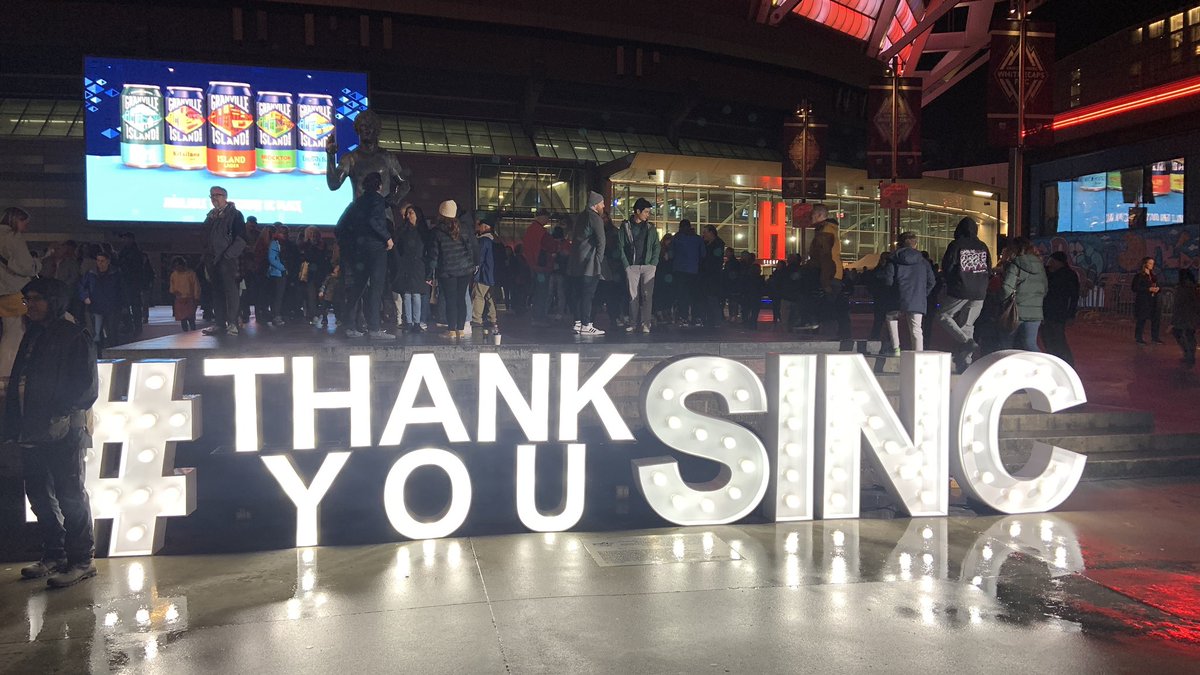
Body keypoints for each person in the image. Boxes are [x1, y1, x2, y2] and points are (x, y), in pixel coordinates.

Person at [7, 277, 99, 588]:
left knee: (69, 494)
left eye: (38, 298)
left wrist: (60, 414)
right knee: (38, 495)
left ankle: (81, 560)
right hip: (30, 429)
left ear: (55, 301)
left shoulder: (74, 335)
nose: (31, 304)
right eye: (28, 299)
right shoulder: (32, 334)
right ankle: (55, 554)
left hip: (64, 432)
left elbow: (86, 386)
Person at [337, 171, 395, 340]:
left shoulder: (358, 202)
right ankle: (374, 328)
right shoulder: (377, 200)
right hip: (376, 249)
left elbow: (341, 226)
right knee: (376, 289)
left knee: (357, 288)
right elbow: (373, 220)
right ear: (380, 186)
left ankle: (350, 326)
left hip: (359, 251)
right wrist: (387, 238)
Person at [938, 217, 992, 369]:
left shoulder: (957, 245)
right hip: (980, 290)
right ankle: (965, 361)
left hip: (960, 288)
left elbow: (948, 266)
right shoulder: (983, 246)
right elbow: (989, 267)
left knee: (943, 315)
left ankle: (966, 342)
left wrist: (949, 282)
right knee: (968, 323)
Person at [427, 200, 478, 339]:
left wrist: (429, 274)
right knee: (461, 298)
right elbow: (472, 247)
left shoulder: (437, 231)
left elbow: (434, 256)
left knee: (450, 300)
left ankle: (451, 330)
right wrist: (473, 264)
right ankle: (460, 329)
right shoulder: (465, 228)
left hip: (447, 271)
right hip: (465, 269)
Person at [0, 207, 41, 379]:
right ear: (17, 220)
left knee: (9, 330)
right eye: (25, 222)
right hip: (16, 290)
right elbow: (26, 267)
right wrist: (37, 264)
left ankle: (5, 369)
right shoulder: (13, 238)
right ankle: (8, 370)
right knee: (17, 332)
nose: (26, 226)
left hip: (2, 292)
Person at [201, 186, 247, 336]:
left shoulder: (235, 214)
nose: (214, 198)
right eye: (211, 196)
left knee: (230, 291)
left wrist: (228, 255)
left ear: (225, 196)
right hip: (212, 259)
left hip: (227, 260)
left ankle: (233, 323)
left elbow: (241, 238)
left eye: (217, 195)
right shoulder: (211, 216)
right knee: (217, 292)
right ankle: (220, 323)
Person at [882, 232, 936, 354]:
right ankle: (918, 354)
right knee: (916, 329)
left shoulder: (893, 260)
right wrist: (922, 294)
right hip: (917, 299)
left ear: (899, 244)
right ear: (915, 244)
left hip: (898, 298)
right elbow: (931, 281)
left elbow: (888, 281)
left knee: (891, 317)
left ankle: (896, 348)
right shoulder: (923, 261)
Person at [617, 197, 661, 333]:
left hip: (648, 266)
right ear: (638, 211)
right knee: (633, 296)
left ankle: (645, 323)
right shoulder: (626, 227)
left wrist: (653, 263)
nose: (648, 215)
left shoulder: (650, 228)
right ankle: (633, 322)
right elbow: (621, 246)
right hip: (632, 266)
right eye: (646, 212)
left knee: (647, 295)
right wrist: (626, 264)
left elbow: (656, 246)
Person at [808, 204, 850, 339]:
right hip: (833, 273)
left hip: (829, 273)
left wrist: (825, 280)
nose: (811, 217)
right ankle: (841, 333)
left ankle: (830, 335)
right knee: (834, 305)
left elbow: (825, 256)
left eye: (813, 214)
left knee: (829, 305)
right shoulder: (829, 230)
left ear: (820, 215)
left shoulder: (825, 232)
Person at [569, 191, 607, 336]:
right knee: (588, 294)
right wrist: (599, 259)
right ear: (596, 204)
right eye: (602, 203)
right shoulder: (595, 218)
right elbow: (601, 241)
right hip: (590, 264)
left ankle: (578, 322)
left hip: (577, 263)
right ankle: (586, 325)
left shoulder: (580, 217)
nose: (603, 206)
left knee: (578, 293)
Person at [1002, 237, 1048, 352]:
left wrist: (1003, 302)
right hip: (1036, 312)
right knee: (1030, 344)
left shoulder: (1015, 264)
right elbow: (1045, 288)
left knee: (1007, 345)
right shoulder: (1040, 266)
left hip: (1016, 311)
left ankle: (1008, 368)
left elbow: (1006, 288)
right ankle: (1041, 365)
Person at [393, 204, 429, 331]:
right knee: (407, 293)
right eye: (407, 213)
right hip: (406, 264)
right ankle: (409, 322)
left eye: (411, 213)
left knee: (416, 293)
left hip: (419, 265)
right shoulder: (403, 231)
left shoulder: (423, 231)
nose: (408, 216)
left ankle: (417, 322)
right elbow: (398, 247)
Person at [78, 250, 123, 351]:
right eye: (98, 261)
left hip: (112, 306)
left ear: (108, 261)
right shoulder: (91, 273)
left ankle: (114, 351)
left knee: (112, 332)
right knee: (96, 334)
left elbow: (121, 289)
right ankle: (98, 354)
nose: (100, 263)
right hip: (95, 306)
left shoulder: (115, 273)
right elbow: (82, 286)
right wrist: (85, 297)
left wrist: (122, 305)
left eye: (102, 261)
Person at [1041, 251, 1080, 366]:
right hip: (1047, 311)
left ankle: (1066, 364)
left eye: (1052, 261)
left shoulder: (1068, 275)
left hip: (1058, 312)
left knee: (1058, 339)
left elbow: (1074, 296)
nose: (1050, 263)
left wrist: (1071, 313)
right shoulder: (1048, 273)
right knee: (1047, 338)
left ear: (1059, 262)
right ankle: (1056, 361)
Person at [522, 210, 555, 325]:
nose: (547, 220)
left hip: (533, 265)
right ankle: (539, 318)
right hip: (542, 266)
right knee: (542, 293)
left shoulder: (530, 230)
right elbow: (551, 246)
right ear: (542, 217)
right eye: (547, 217)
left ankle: (536, 317)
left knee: (537, 292)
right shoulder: (541, 232)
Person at [671, 220, 703, 325]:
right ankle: (696, 317)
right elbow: (703, 254)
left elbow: (671, 253)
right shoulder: (698, 239)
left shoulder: (677, 238)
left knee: (682, 295)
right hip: (694, 271)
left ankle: (683, 317)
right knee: (695, 295)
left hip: (680, 271)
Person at [116, 232, 147, 337]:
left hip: (133, 282)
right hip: (128, 282)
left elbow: (137, 269)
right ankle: (131, 326)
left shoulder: (134, 252)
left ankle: (135, 327)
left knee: (134, 306)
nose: (124, 241)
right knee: (128, 306)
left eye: (125, 239)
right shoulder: (125, 252)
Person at [300, 226, 331, 326]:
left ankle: (324, 316)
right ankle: (313, 315)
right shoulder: (305, 245)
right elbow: (306, 257)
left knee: (322, 296)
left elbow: (323, 258)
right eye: (311, 233)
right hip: (309, 274)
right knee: (311, 296)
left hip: (321, 273)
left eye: (315, 234)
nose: (313, 236)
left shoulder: (323, 245)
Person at [472, 217, 499, 333]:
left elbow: (480, 257)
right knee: (490, 297)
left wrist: (475, 269)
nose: (478, 227)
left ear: (485, 227)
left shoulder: (483, 240)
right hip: (494, 274)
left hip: (484, 274)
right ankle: (493, 319)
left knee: (478, 295)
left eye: (480, 225)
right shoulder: (496, 240)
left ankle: (476, 319)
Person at [1132, 256, 1164, 345]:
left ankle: (1155, 337)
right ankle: (1139, 338)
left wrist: (1158, 289)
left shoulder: (1153, 275)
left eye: (1153, 264)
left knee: (1155, 319)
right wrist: (1148, 289)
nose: (1151, 265)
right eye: (1150, 263)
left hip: (1153, 300)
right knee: (1141, 319)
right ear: (1145, 264)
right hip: (1143, 301)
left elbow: (1158, 284)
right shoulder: (1139, 276)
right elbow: (1135, 287)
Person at [699, 225, 725, 327]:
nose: (703, 234)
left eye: (705, 232)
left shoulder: (718, 244)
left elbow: (714, 261)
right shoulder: (707, 244)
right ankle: (710, 319)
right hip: (707, 276)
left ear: (711, 233)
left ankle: (714, 320)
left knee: (712, 298)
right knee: (708, 298)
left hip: (712, 276)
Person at [1171, 268, 1198, 367]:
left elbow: (1178, 304)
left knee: (1178, 332)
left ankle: (1188, 354)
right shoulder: (1193, 288)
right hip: (1192, 316)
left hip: (1183, 316)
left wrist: (1173, 320)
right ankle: (1190, 355)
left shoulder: (1182, 288)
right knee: (1189, 334)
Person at [169, 256, 200, 331]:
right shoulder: (174, 275)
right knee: (183, 319)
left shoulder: (191, 274)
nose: (177, 268)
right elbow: (172, 286)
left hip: (190, 298)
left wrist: (196, 297)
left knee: (191, 318)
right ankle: (185, 333)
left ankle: (193, 332)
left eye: (178, 266)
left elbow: (196, 286)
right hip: (179, 299)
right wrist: (174, 291)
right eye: (175, 266)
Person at [265, 224, 288, 326]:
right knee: (277, 296)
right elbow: (272, 259)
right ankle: (276, 316)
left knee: (280, 296)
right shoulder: (275, 244)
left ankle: (278, 314)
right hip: (277, 273)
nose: (284, 235)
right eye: (282, 233)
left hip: (281, 273)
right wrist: (283, 268)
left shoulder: (284, 244)